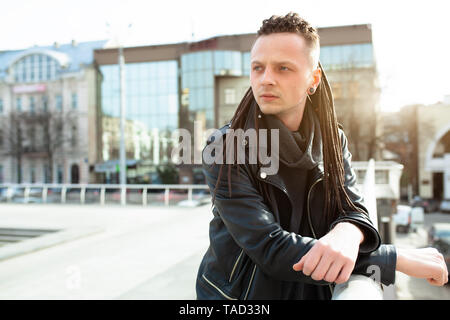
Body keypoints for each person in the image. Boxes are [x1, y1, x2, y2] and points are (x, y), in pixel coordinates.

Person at [196, 12, 448, 300]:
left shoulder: (332, 140)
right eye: (258, 68)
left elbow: (354, 210)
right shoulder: (225, 147)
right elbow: (270, 248)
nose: (266, 79)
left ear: (312, 79)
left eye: (283, 68)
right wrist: (393, 259)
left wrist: (349, 231)